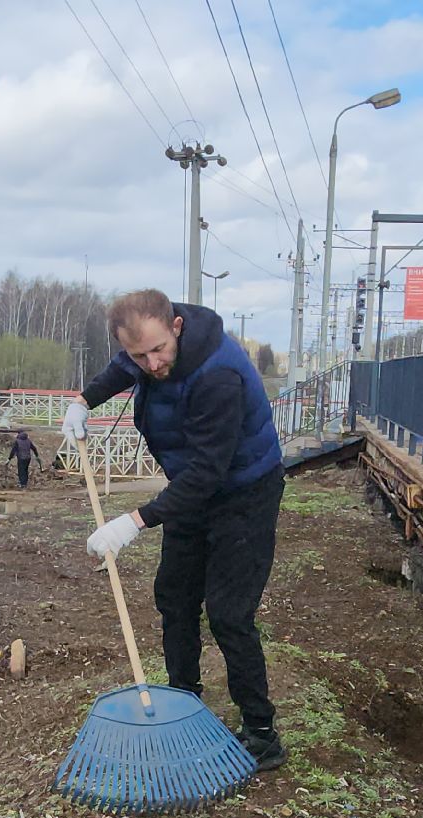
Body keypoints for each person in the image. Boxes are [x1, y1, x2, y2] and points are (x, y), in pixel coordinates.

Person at [64, 289, 286, 771]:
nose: (153, 363)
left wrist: (134, 521)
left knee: (229, 612)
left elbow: (209, 474)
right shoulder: (142, 354)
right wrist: (83, 402)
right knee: (175, 597)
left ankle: (262, 733)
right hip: (191, 484)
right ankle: (184, 702)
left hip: (243, 491)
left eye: (159, 350)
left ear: (177, 328)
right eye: (139, 354)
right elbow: (123, 368)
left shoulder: (218, 375)